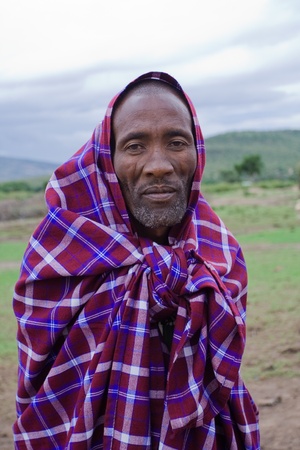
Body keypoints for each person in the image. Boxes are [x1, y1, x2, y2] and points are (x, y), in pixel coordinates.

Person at [13, 72, 260, 449]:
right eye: (134, 146)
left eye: (176, 142)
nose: (158, 164)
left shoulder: (218, 252)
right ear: (107, 161)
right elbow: (48, 387)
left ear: (198, 154)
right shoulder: (61, 254)